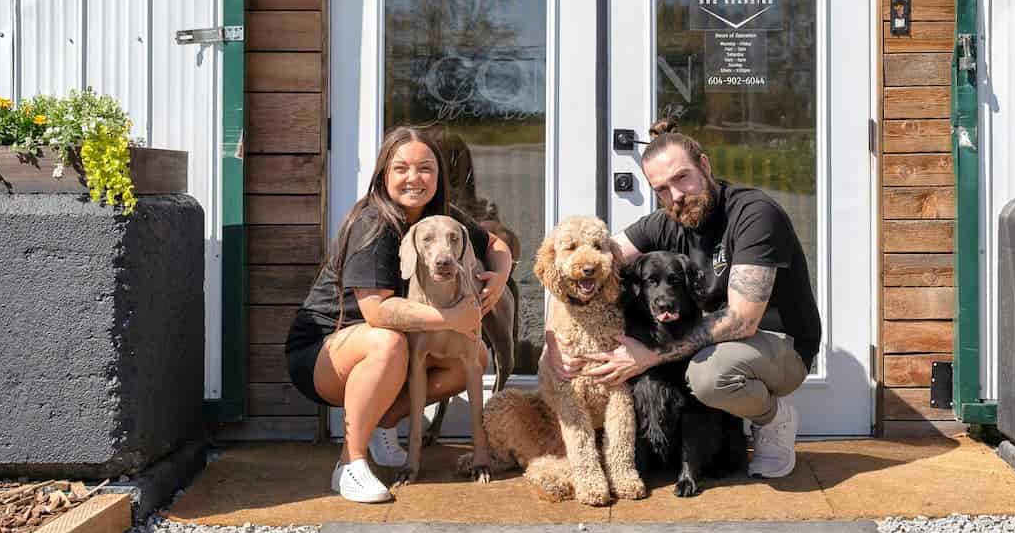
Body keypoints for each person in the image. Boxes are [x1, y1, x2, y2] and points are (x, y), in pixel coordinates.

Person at [541, 118, 820, 478]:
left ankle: (773, 418)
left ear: (705, 166)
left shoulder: (754, 215)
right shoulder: (665, 222)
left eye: (682, 178)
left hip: (779, 346)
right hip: (713, 343)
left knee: (709, 375)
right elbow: (590, 268)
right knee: (687, 360)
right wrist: (553, 338)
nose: (675, 196)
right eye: (661, 189)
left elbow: (742, 319)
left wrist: (647, 355)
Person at [285, 126, 514, 502]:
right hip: (324, 353)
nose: (414, 178)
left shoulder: (439, 219)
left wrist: (498, 279)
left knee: (472, 358)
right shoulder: (373, 224)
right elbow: (376, 310)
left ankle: (380, 423)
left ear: (439, 176)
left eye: (425, 168)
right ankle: (350, 463)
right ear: (383, 175)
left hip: (384, 350)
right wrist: (453, 319)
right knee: (387, 340)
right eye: (401, 168)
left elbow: (495, 245)